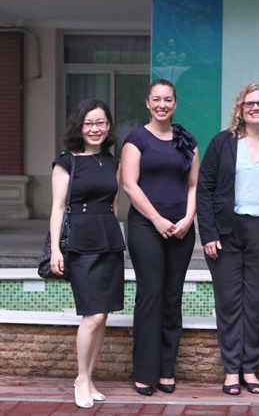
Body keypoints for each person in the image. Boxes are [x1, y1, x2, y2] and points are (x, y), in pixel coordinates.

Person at [196, 83, 259, 395]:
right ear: (240, 108)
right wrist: (208, 233)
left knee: (257, 303)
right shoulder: (222, 142)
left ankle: (250, 369)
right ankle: (231, 370)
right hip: (226, 233)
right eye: (249, 103)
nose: (255, 108)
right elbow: (204, 189)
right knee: (229, 302)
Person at [121, 79, 199, 396]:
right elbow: (129, 184)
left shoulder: (186, 140)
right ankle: (145, 372)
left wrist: (188, 219)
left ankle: (166, 370)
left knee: (172, 297)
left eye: (167, 100)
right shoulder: (136, 139)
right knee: (151, 295)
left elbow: (193, 185)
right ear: (147, 102)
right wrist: (157, 219)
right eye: (156, 99)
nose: (162, 105)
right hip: (146, 227)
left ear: (175, 103)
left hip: (181, 230)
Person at [49, 99, 125, 408]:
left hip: (109, 240)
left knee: (103, 314)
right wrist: (56, 249)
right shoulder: (66, 161)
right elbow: (57, 208)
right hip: (80, 242)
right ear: (79, 127)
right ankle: (81, 378)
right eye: (88, 123)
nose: (95, 129)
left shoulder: (113, 162)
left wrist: (116, 236)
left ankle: (90, 378)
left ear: (108, 127)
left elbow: (114, 205)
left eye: (101, 122)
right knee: (92, 314)